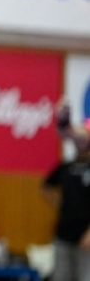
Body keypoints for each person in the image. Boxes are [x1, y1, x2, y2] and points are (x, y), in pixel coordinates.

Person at [42, 102, 90, 281]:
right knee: (61, 276)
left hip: (85, 236)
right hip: (64, 234)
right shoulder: (66, 166)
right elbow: (46, 186)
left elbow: (81, 135)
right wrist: (63, 121)